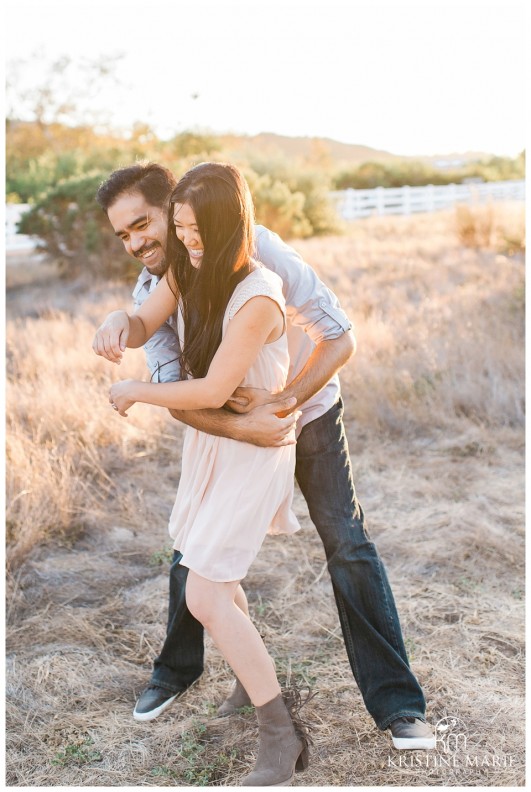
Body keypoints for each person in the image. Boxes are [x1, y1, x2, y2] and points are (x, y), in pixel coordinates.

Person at [94, 162, 435, 752]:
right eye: (123, 234)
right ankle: (182, 672)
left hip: (309, 402)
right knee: (195, 548)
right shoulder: (161, 282)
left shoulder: (261, 254)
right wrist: (243, 426)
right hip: (233, 420)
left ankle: (399, 706)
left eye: (143, 224)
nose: (136, 242)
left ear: (178, 208)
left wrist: (281, 405)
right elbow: (180, 392)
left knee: (347, 544)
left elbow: (340, 337)